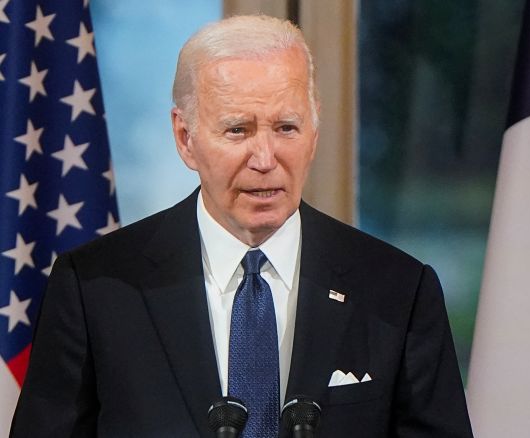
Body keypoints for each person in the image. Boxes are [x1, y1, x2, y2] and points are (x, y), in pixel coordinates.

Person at [11, 14, 472, 437]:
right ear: (185, 138)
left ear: (314, 133)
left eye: (286, 128)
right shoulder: (96, 288)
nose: (266, 159)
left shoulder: (398, 290)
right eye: (238, 130)